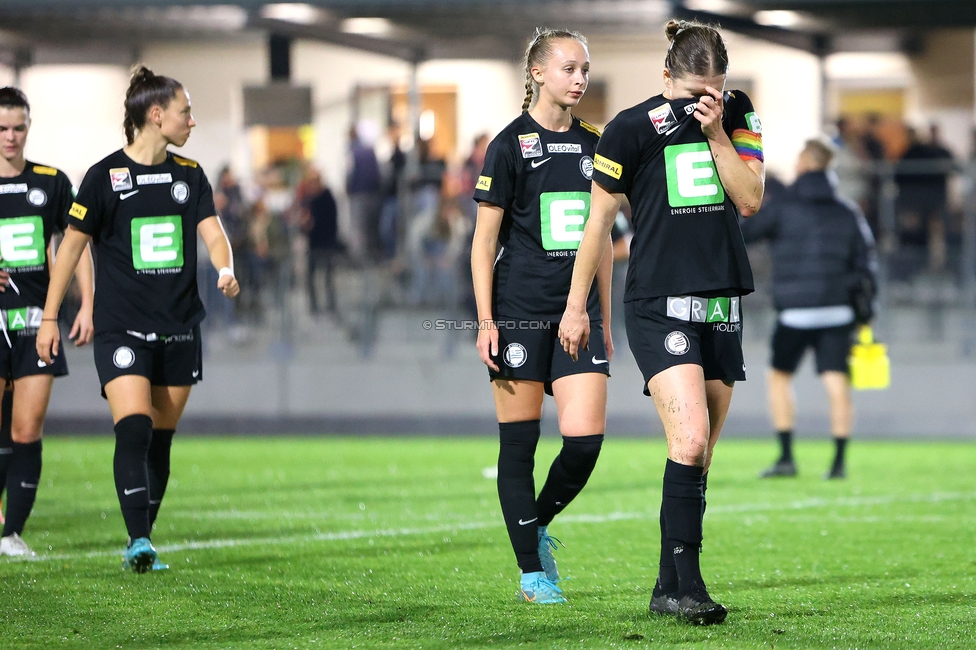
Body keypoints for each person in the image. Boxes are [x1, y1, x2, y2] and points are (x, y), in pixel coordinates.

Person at [558, 19, 764, 624]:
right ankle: (690, 587)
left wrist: (718, 133)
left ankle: (665, 586)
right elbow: (597, 226)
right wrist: (576, 307)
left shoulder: (738, 113)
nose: (702, 100)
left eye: (715, 89)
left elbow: (750, 199)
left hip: (722, 303)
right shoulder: (626, 128)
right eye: (691, 89)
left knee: (700, 457)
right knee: (690, 439)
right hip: (658, 304)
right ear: (665, 75)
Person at [36, 66, 239, 572]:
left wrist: (226, 267)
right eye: (185, 111)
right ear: (155, 115)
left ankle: (143, 533)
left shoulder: (189, 174)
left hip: (179, 327)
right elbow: (68, 251)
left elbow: (213, 233)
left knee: (160, 441)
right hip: (121, 326)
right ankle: (138, 540)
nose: (192, 120)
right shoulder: (103, 178)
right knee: (133, 429)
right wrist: (48, 318)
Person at [471, 27, 613, 605]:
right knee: (519, 449)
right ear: (537, 73)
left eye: (585, 70)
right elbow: (482, 243)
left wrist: (602, 314)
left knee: (584, 445)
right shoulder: (508, 146)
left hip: (579, 316)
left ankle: (535, 522)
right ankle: (531, 572)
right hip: (521, 311)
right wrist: (486, 320)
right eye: (569, 69)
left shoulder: (597, 144)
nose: (580, 79)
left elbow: (600, 237)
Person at [742, 139, 877, 480]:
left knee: (778, 378)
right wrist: (865, 309)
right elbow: (866, 262)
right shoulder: (847, 211)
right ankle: (838, 463)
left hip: (795, 312)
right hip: (838, 311)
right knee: (836, 382)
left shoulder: (784, 205)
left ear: (802, 165)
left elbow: (747, 232)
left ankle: (787, 457)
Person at [0, 87, 95, 557]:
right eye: (2, 128)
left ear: (29, 127)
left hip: (38, 321)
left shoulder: (52, 182)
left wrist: (87, 306)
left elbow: (77, 242)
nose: (10, 137)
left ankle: (11, 534)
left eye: (18, 127)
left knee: (25, 430)